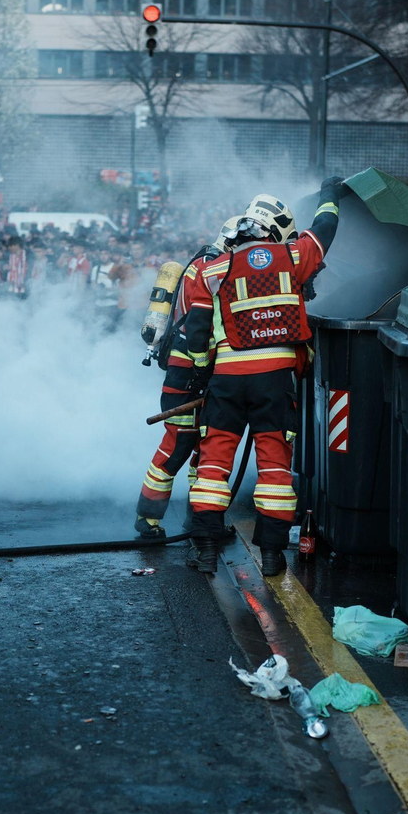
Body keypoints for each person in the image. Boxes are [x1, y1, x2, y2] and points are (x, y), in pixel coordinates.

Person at [181, 181, 344, 578]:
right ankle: (272, 557)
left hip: (227, 379)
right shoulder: (292, 256)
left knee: (215, 463)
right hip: (274, 380)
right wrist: (331, 194)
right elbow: (324, 229)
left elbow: (197, 328)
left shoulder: (213, 267)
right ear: (277, 231)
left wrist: (204, 373)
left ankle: (204, 551)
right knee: (274, 467)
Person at [133, 222, 228, 539]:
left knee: (204, 449)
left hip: (203, 373)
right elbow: (200, 325)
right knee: (179, 444)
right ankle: (147, 519)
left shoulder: (206, 262)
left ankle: (198, 521)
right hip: (187, 372)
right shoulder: (213, 267)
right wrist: (202, 368)